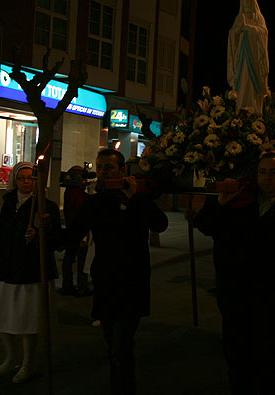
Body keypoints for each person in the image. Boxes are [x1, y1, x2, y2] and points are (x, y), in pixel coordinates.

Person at [194, 152, 275, 394]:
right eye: (263, 172)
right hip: (233, 291)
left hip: (269, 295)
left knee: (264, 357)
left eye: (274, 172)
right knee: (234, 354)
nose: (267, 177)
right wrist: (220, 204)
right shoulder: (240, 201)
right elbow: (205, 226)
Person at [65, 149, 168, 395]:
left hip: (132, 282)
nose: (103, 172)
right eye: (99, 167)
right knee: (112, 344)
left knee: (121, 347)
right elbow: (73, 234)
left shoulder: (136, 198)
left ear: (121, 170)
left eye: (109, 167)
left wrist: (134, 197)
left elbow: (160, 224)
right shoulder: (94, 202)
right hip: (106, 282)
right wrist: (45, 228)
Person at [0, 161, 62, 383]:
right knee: (2, 318)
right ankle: (11, 357)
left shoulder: (46, 206)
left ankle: (27, 364)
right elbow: (0, 236)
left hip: (31, 272)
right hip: (7, 269)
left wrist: (38, 234)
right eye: (22, 178)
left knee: (27, 322)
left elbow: (56, 240)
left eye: (30, 178)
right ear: (15, 180)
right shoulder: (9, 203)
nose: (26, 182)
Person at [227, 0, 270, 116]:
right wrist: (238, 30)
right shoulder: (240, 17)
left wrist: (249, 28)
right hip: (242, 57)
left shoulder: (258, 17)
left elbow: (263, 32)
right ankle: (241, 109)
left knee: (252, 83)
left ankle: (255, 110)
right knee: (242, 81)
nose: (247, 2)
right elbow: (232, 34)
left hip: (255, 57)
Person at [59, 165, 91, 296]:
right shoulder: (77, 193)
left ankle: (67, 285)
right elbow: (81, 210)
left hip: (71, 229)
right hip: (79, 230)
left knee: (69, 258)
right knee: (81, 260)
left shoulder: (70, 191)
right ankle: (82, 287)